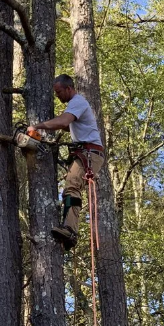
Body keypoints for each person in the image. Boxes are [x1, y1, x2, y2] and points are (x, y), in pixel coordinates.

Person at [28, 74, 104, 251]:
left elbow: (63, 121)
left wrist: (37, 126)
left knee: (72, 185)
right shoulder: (75, 105)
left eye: (59, 92)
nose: (57, 96)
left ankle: (70, 229)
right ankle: (69, 231)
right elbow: (64, 125)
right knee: (71, 186)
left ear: (69, 88)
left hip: (90, 152)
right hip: (85, 151)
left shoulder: (77, 102)